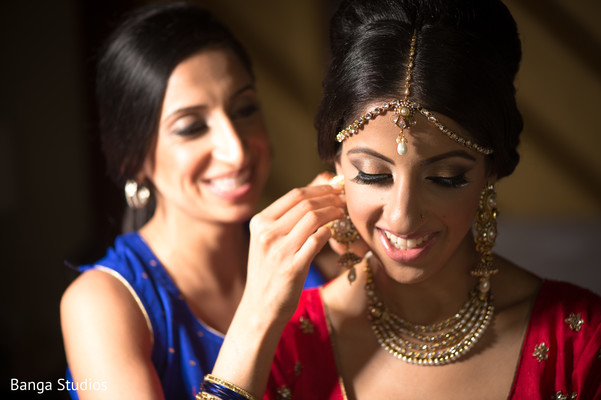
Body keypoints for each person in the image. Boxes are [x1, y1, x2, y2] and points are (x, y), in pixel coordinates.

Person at [199, 0, 601, 399]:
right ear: (337, 167)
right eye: (372, 175)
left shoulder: (578, 340)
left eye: (445, 178)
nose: (403, 216)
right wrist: (253, 319)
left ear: (490, 171)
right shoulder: (284, 339)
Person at [59, 3, 341, 399]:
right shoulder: (103, 304)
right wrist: (260, 309)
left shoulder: (318, 262)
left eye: (245, 109)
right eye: (191, 127)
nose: (237, 151)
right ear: (132, 158)